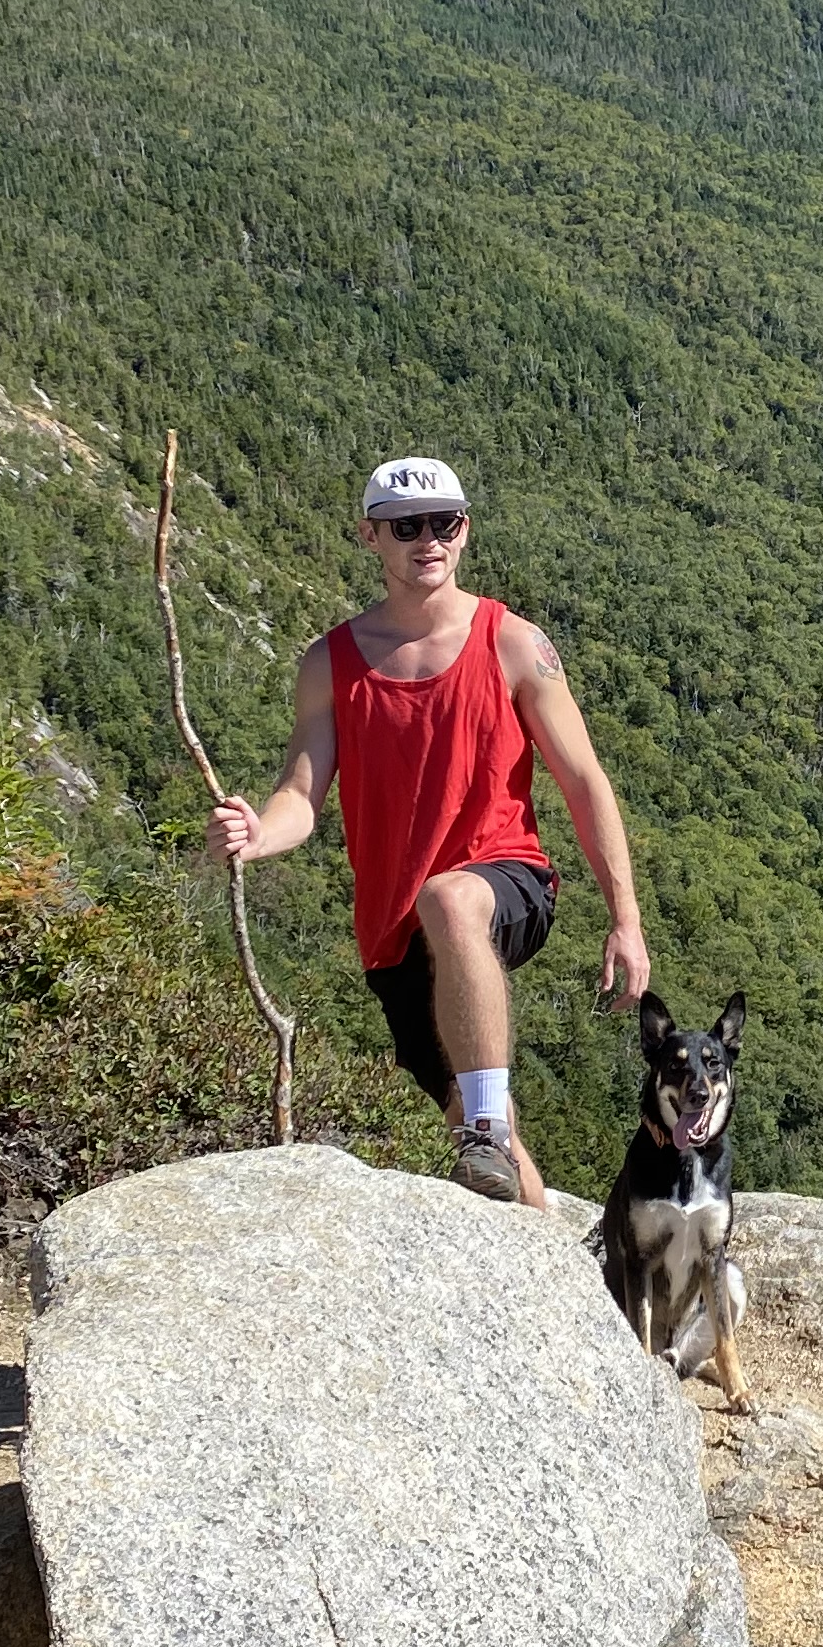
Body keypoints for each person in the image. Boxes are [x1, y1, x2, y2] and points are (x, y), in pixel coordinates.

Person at [207, 455, 650, 1204]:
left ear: (465, 530)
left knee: (450, 902)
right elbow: (302, 794)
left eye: (443, 523)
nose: (428, 540)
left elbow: (584, 782)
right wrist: (258, 834)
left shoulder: (512, 643)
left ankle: (485, 1128)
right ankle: (561, 1283)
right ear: (369, 537)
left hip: (505, 878)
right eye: (406, 526)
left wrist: (626, 921)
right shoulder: (331, 663)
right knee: (491, 1157)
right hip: (393, 931)